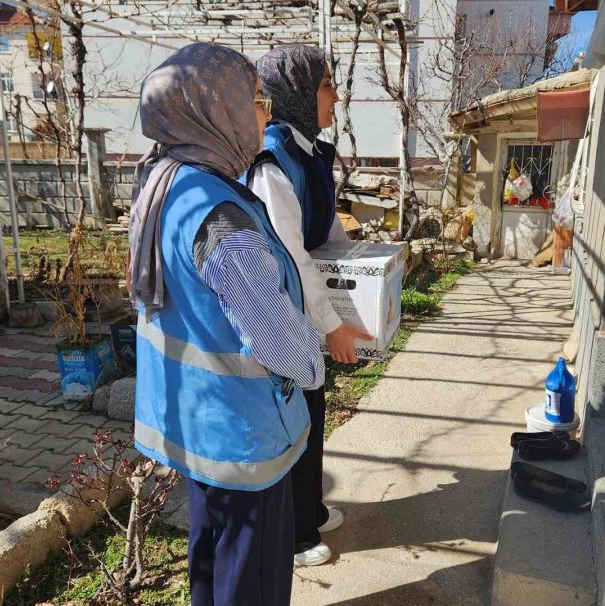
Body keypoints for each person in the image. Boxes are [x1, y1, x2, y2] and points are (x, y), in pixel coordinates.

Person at [127, 43, 324, 605]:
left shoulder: (165, 182)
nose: (265, 115)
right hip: (243, 439)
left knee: (213, 568)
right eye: (255, 101)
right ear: (216, 111)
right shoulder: (220, 214)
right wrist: (313, 358)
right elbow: (273, 337)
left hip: (198, 424)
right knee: (252, 581)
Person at [248, 45, 372, 567]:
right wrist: (333, 324)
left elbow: (326, 229)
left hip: (310, 312)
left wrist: (368, 267)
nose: (335, 97)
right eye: (326, 85)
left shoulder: (308, 150)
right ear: (297, 91)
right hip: (285, 318)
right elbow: (289, 255)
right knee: (295, 423)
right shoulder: (275, 159)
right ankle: (296, 536)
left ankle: (311, 511)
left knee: (314, 414)